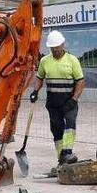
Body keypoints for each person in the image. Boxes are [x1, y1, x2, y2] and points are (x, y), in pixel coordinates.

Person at [30, 30, 84, 166]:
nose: (55, 51)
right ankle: (62, 158)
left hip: (69, 101)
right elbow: (39, 78)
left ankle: (67, 152)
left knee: (70, 125)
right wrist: (35, 91)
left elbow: (80, 82)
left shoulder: (72, 60)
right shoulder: (44, 61)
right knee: (56, 129)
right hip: (53, 103)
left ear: (63, 45)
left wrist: (74, 99)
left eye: (57, 48)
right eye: (53, 49)